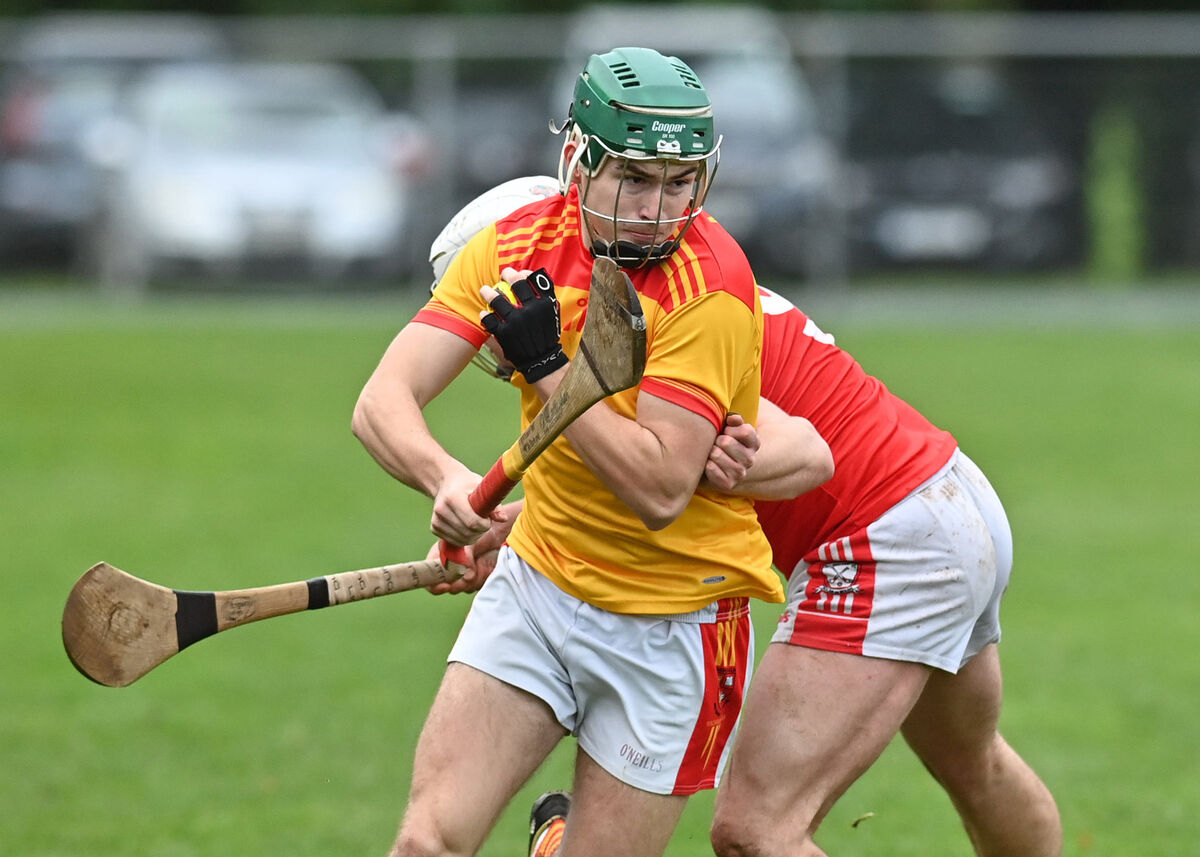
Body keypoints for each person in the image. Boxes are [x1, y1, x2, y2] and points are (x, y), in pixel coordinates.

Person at [432, 172, 1063, 856]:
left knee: (756, 831)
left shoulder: (640, 328)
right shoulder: (658, 288)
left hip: (886, 537)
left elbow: (677, 481)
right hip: (947, 497)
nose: (493, 345)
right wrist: (521, 529)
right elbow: (652, 479)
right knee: (975, 764)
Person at [351, 47, 834, 857]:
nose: (657, 208)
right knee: (425, 843)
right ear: (579, 161)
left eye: (678, 184)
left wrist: (546, 369)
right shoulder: (517, 245)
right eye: (635, 180)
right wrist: (447, 480)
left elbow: (659, 484)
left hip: (675, 622)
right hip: (539, 589)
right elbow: (382, 402)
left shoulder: (710, 284)